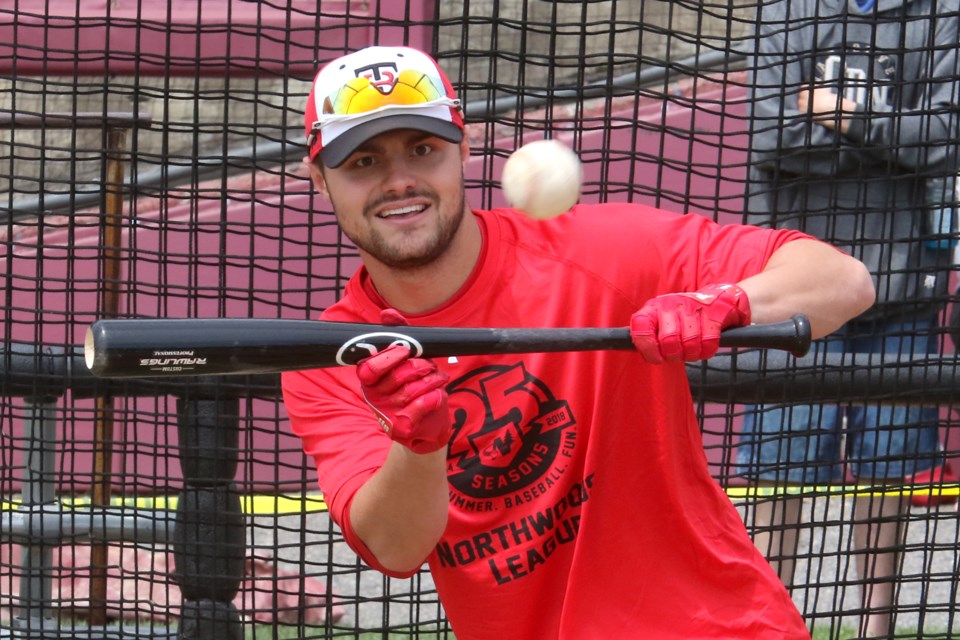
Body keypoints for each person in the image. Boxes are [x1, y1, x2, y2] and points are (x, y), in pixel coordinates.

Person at [280, 45, 875, 639]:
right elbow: (395, 548)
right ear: (319, 177)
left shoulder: (603, 251)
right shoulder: (330, 360)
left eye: (422, 149)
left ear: (462, 149)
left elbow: (843, 280)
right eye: (362, 161)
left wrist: (722, 302)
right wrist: (419, 442)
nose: (399, 180)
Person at [735, 0, 960, 636]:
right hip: (793, 293)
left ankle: (876, 630)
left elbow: (944, 140)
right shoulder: (787, 12)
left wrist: (842, 114)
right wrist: (890, 141)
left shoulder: (940, 14)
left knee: (887, 473)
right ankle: (770, 625)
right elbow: (773, 137)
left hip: (902, 289)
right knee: (777, 479)